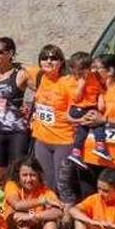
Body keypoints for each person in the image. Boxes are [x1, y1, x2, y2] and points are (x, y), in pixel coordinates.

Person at [71, 54, 115, 197]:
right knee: (89, 202)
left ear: (110, 71)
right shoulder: (88, 89)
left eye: (96, 68)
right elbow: (70, 112)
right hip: (87, 157)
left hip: (113, 159)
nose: (92, 72)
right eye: (91, 68)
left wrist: (105, 120)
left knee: (112, 203)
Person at [0, 37, 31, 188]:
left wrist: (32, 108)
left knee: (17, 173)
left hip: (16, 131)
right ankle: (0, 207)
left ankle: (17, 206)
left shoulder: (19, 73)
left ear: (10, 53)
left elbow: (42, 84)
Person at [3, 156, 63, 229]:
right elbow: (17, 205)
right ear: (18, 176)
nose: (29, 179)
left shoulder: (46, 191)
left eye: (33, 175)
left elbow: (59, 211)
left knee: (51, 219)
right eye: (24, 175)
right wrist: (41, 201)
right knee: (18, 215)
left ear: (39, 175)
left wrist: (33, 216)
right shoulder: (11, 185)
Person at [30, 45, 73, 194]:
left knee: (63, 183)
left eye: (53, 58)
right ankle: (51, 215)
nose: (49, 61)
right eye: (45, 58)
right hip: (42, 140)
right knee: (46, 181)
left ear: (61, 62)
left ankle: (65, 215)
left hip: (63, 140)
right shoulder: (41, 77)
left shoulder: (68, 82)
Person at [65, 52, 108, 167]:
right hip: (79, 108)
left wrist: (100, 99)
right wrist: (81, 85)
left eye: (84, 70)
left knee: (83, 131)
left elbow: (99, 91)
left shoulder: (93, 77)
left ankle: (76, 153)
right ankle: (100, 146)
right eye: (77, 70)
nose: (81, 73)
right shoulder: (72, 81)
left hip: (91, 107)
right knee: (97, 124)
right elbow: (76, 98)